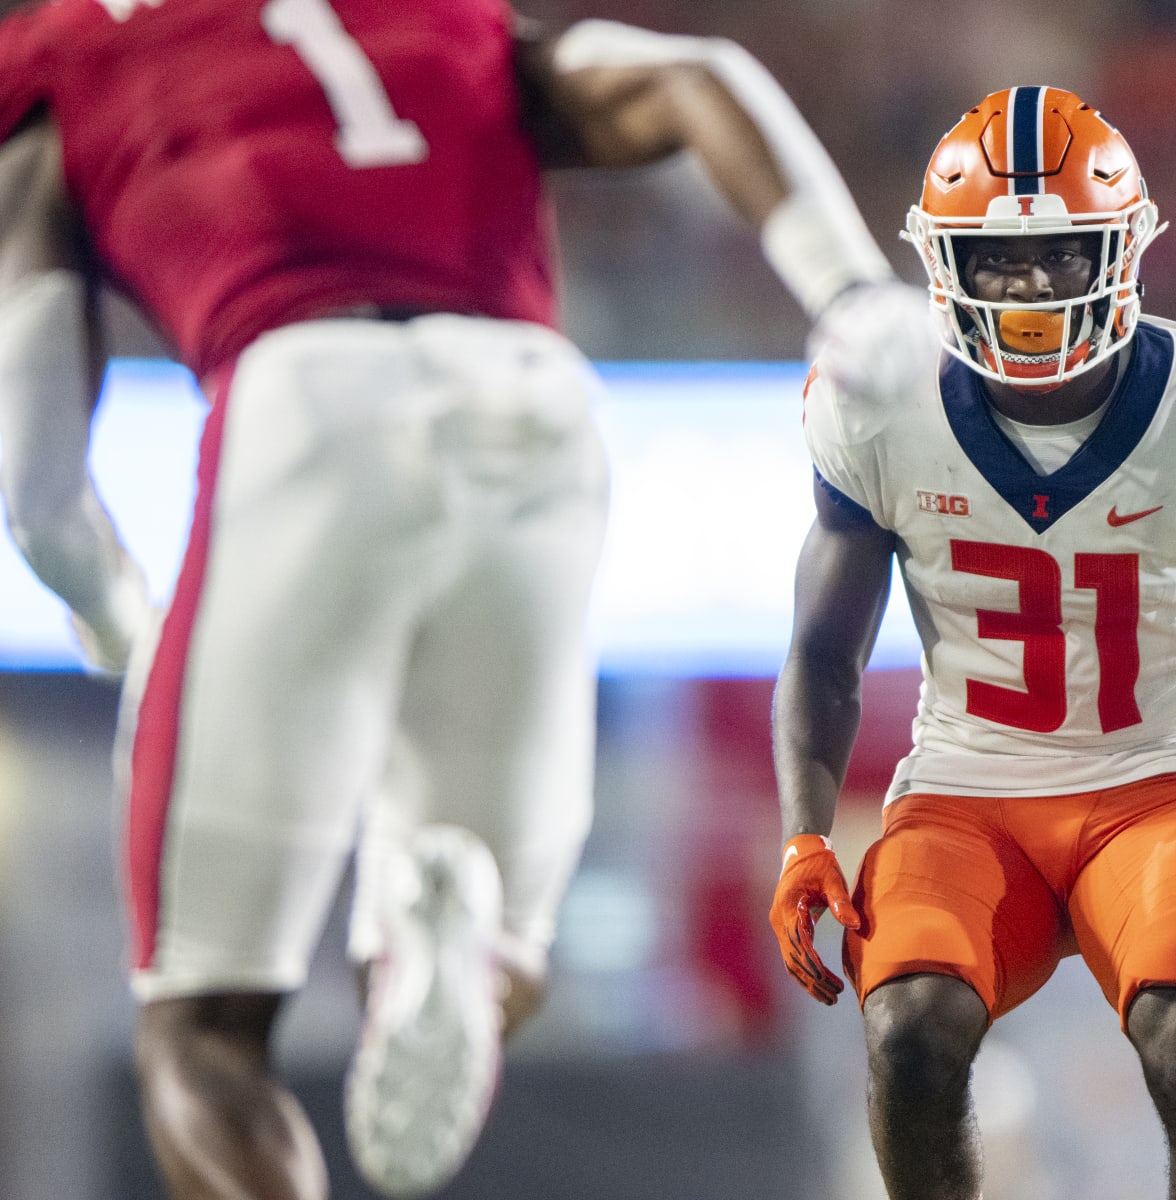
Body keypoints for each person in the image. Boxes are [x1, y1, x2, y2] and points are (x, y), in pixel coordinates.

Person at [0, 3, 931, 1197]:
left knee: (201, 1021)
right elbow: (702, 75)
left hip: (304, 388)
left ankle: (420, 922)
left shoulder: (68, 54)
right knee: (511, 954)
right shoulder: (438, 18)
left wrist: (116, 618)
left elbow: (34, 483)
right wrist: (851, 292)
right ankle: (440, 927)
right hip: (534, 400)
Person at [770, 86, 1176, 1200]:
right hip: (966, 785)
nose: (1030, 292)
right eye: (999, 263)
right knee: (907, 1032)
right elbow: (824, 653)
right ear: (941, 264)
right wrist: (803, 837)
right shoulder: (881, 398)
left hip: (1154, 783)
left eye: (1060, 256)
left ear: (1126, 248)